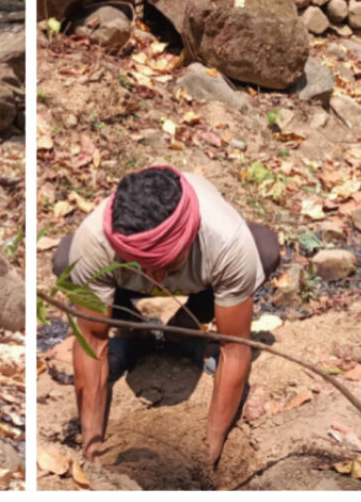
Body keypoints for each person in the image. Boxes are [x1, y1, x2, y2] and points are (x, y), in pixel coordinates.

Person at [52, 165, 281, 467]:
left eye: (167, 263)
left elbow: (234, 347)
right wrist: (91, 452)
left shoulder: (226, 241)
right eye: (143, 264)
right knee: (65, 261)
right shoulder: (95, 241)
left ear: (190, 236)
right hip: (123, 287)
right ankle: (133, 329)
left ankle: (184, 326)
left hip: (203, 286)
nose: (155, 277)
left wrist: (209, 454)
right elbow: (92, 342)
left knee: (263, 250)